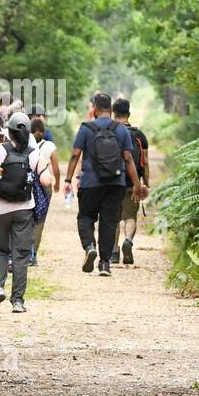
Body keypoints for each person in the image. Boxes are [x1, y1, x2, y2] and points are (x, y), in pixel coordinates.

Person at [64, 90, 146, 276]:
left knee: (85, 217)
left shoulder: (86, 128)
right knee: (108, 222)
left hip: (90, 182)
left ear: (94, 109)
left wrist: (68, 179)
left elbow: (75, 154)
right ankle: (104, 264)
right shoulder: (121, 129)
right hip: (115, 182)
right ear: (110, 109)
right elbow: (128, 159)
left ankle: (89, 247)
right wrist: (137, 185)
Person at [0, 111, 51, 313]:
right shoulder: (34, 153)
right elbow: (47, 181)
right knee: (20, 255)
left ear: (8, 131)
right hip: (24, 209)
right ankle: (18, 301)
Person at [110, 98, 150, 266]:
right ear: (129, 113)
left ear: (113, 113)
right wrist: (144, 183)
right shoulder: (139, 135)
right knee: (130, 217)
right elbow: (145, 162)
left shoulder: (110, 132)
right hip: (133, 184)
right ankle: (128, 240)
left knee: (113, 218)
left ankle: (114, 252)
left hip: (112, 182)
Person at [29, 115, 60, 264]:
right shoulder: (50, 146)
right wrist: (58, 183)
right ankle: (33, 254)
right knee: (39, 220)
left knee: (25, 217)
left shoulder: (23, 144)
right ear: (41, 131)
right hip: (44, 185)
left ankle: (23, 252)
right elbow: (56, 168)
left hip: (27, 184)